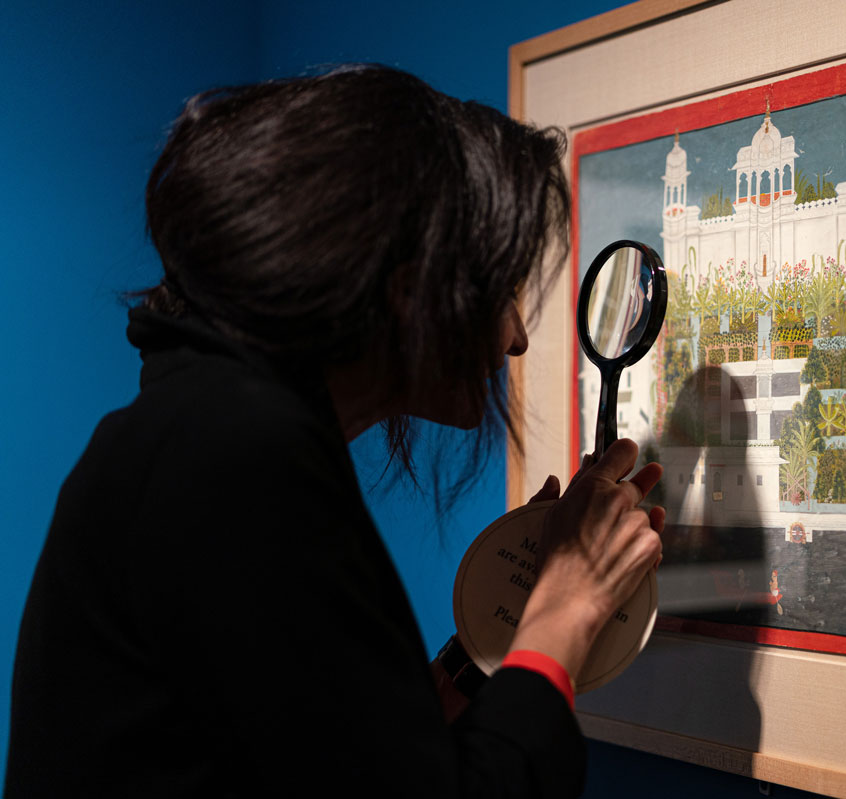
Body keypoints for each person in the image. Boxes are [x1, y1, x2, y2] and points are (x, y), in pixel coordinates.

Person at [5, 65, 664, 798]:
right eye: (501, 290)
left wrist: (477, 657)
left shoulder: (185, 432)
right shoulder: (238, 459)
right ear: (408, 290)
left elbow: (315, 758)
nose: (514, 338)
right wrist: (566, 604)